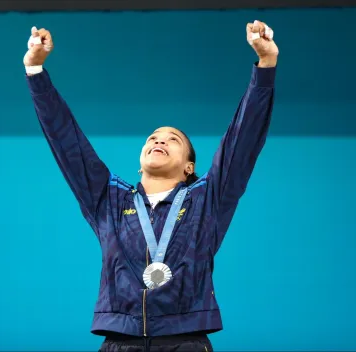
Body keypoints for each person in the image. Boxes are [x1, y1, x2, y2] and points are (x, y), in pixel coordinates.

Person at [24, 20, 278, 352]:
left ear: (189, 166)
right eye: (153, 138)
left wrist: (266, 66)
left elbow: (242, 141)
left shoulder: (207, 199)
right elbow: (66, 141)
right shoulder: (107, 199)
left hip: (184, 339)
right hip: (119, 339)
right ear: (141, 155)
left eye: (173, 140)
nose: (160, 141)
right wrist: (35, 71)